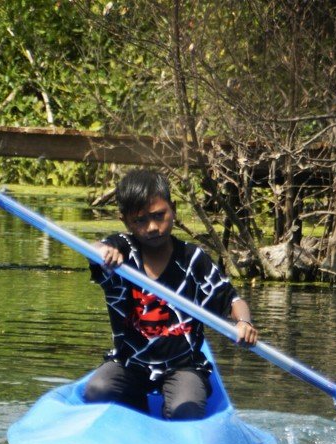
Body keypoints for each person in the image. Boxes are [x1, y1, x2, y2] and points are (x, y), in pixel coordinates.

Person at [84, 169, 257, 420]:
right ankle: (136, 410)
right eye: (140, 221)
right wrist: (101, 252)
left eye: (159, 215)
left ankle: (176, 417)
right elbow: (97, 249)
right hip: (129, 362)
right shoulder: (121, 251)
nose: (152, 227)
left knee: (184, 408)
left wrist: (244, 323)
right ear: (126, 222)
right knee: (97, 390)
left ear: (173, 209)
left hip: (182, 365)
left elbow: (233, 300)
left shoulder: (193, 259)